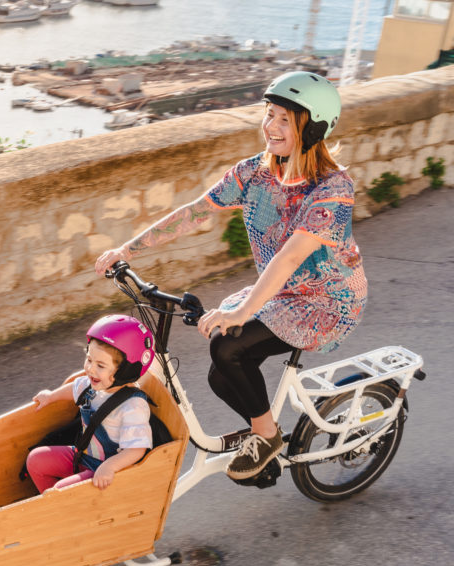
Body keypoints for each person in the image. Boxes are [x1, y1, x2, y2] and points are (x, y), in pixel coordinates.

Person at [94, 71, 367, 481]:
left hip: (326, 302)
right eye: (269, 115)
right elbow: (195, 211)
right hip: (280, 294)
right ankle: (267, 433)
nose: (270, 127)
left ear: (312, 129)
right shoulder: (255, 173)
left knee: (227, 347)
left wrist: (242, 314)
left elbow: (291, 258)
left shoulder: (332, 190)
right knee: (221, 375)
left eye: (284, 121)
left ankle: (264, 436)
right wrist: (126, 250)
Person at [26, 314, 154, 493]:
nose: (90, 369)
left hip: (104, 471)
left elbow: (136, 449)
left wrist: (109, 467)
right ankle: (58, 510)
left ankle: (59, 506)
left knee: (59, 491)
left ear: (125, 371)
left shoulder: (132, 406)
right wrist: (51, 396)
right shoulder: (93, 385)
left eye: (100, 365)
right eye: (89, 359)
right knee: (36, 460)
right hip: (83, 455)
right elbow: (74, 389)